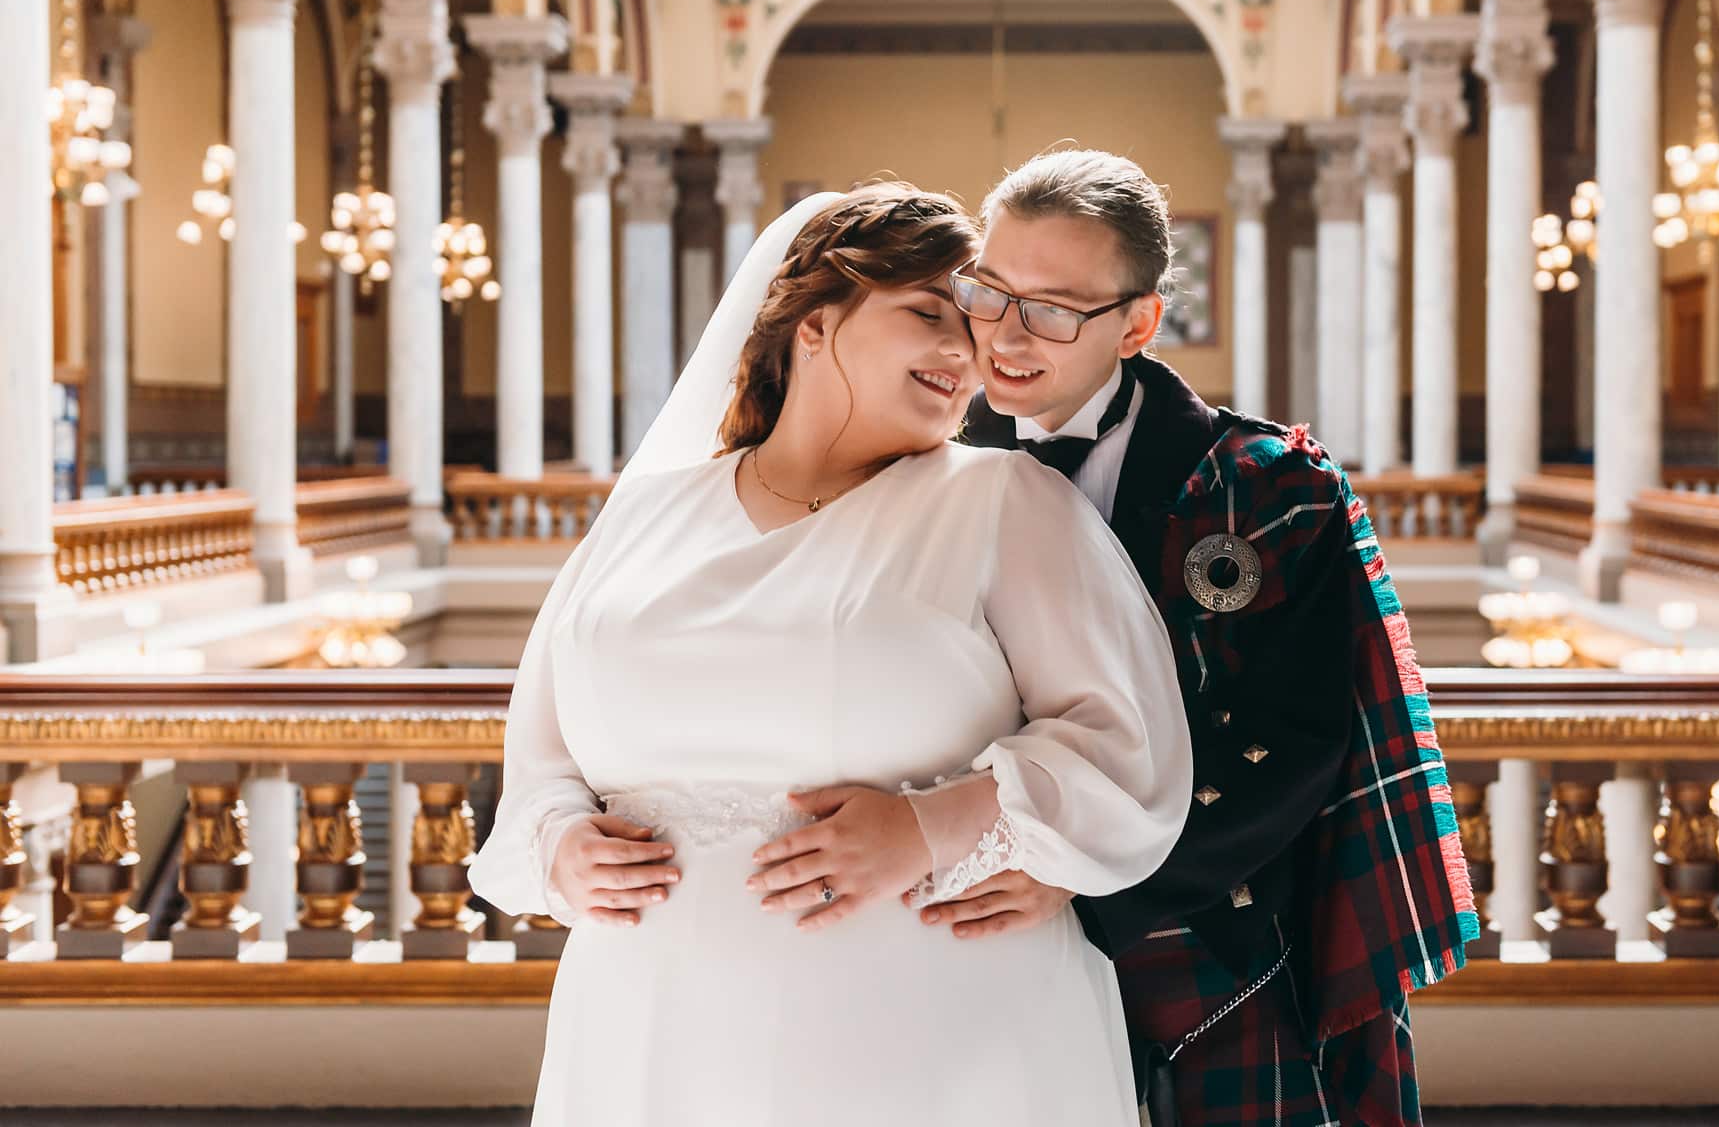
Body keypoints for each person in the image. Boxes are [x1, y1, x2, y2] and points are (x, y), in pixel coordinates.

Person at [468, 184, 1193, 1127]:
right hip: (649, 1038)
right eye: (930, 314)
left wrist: (928, 829)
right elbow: (542, 763)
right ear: (814, 322)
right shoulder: (645, 517)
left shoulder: (1003, 502)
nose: (961, 354)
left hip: (937, 1041)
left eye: (968, 330)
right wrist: (560, 846)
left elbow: (1127, 749)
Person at [926, 150, 1478, 1126]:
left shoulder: (1269, 486)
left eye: (1051, 308)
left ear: (1138, 320)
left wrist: (1081, 879)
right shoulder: (912, 460)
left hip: (1204, 935)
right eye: (987, 290)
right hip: (955, 917)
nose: (1002, 335)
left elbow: (1298, 740)